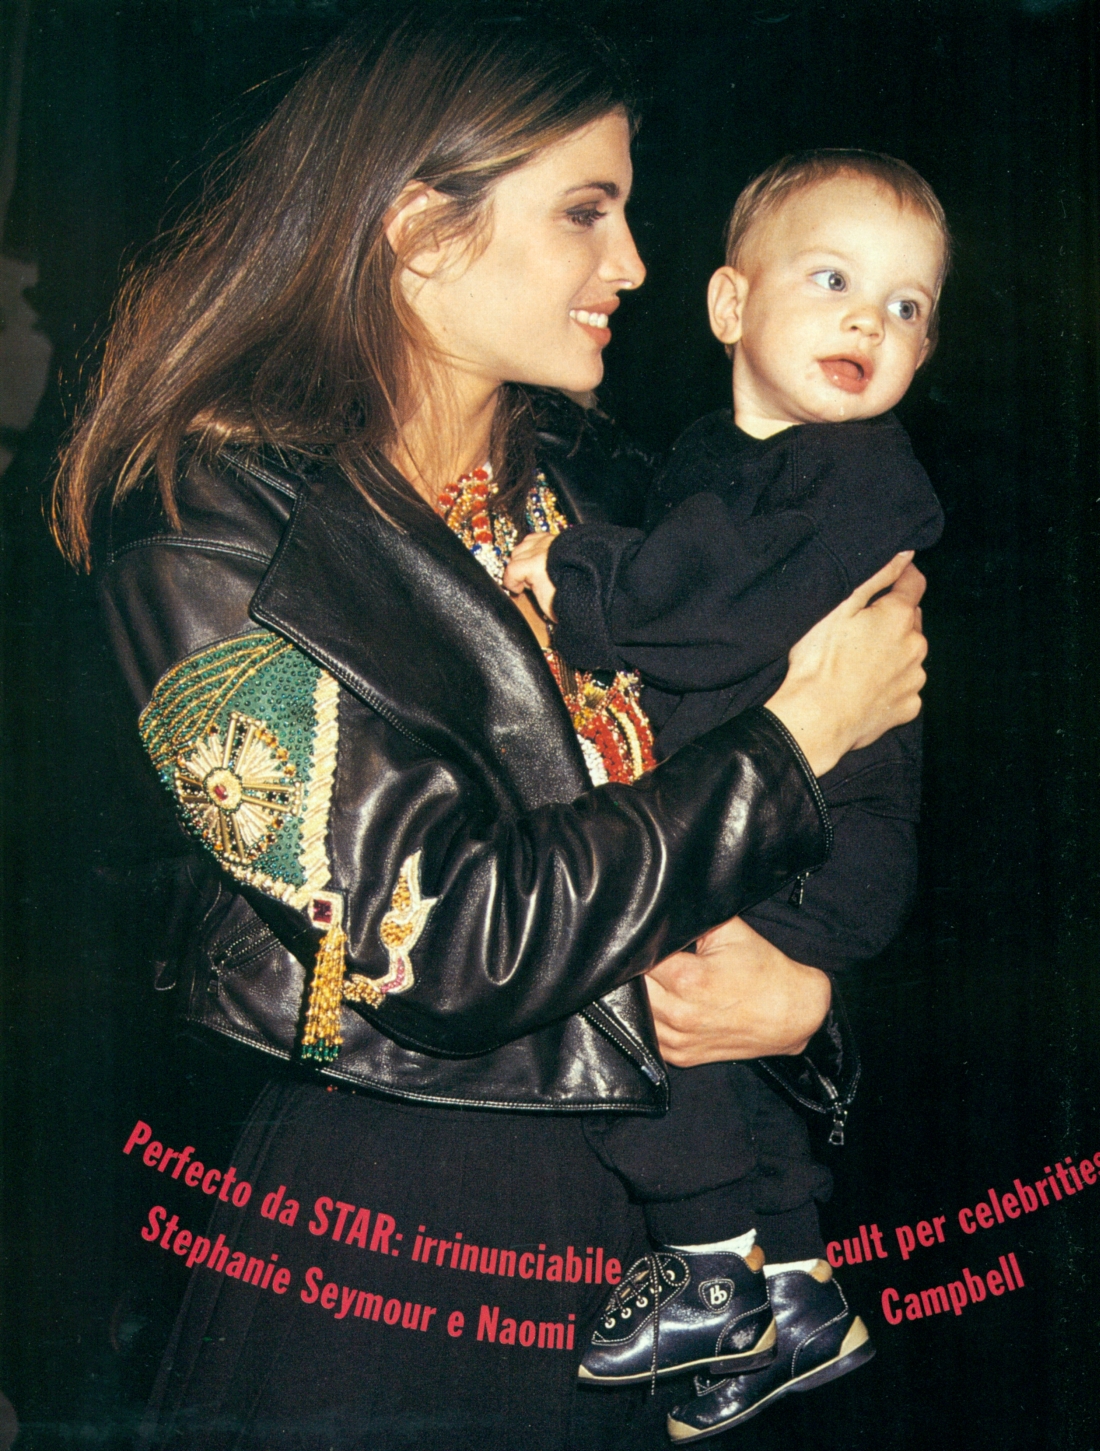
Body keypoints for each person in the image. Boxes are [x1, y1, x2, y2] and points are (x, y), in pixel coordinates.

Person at [51, 7, 928, 1448]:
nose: (632, 264)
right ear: (419, 228)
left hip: (672, 1240)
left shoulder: (614, 502)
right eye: (587, 211)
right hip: (402, 1222)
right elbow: (438, 940)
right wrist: (793, 746)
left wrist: (810, 1009)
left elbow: (821, 853)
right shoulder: (211, 540)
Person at [501, 150, 949, 1440]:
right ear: (730, 305)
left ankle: (707, 1263)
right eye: (834, 280)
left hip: (826, 840)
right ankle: (797, 1291)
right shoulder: (709, 456)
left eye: (909, 305)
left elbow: (709, 607)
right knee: (725, 1040)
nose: (873, 322)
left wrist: (574, 577)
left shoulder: (859, 475)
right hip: (779, 824)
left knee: (649, 977)